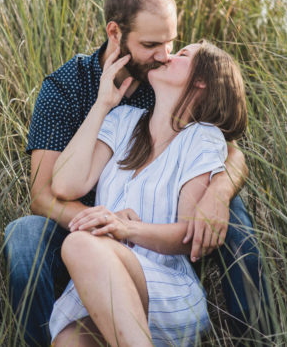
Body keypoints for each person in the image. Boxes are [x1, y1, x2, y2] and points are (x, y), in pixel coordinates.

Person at [3, 0, 269, 346]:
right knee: (25, 235)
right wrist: (100, 223)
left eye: (172, 43)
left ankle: (256, 335)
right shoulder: (70, 89)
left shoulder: (165, 86)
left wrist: (220, 192)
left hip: (154, 247)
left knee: (233, 212)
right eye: (151, 44)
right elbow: (46, 193)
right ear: (115, 33)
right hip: (84, 224)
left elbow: (228, 151)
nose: (164, 54)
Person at [49, 40, 246, 345]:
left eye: (182, 54)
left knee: (79, 245)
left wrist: (127, 228)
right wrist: (103, 104)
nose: (168, 55)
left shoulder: (202, 138)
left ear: (201, 80)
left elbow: (189, 237)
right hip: (101, 279)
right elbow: (64, 185)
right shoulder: (122, 120)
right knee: (68, 342)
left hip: (167, 288)